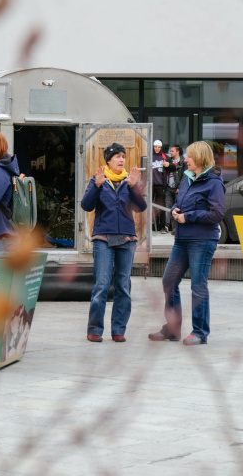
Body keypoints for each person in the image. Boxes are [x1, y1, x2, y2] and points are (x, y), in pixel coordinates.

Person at [148, 141, 225, 345]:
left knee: (198, 286)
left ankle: (200, 332)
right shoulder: (187, 179)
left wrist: (188, 217)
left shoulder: (214, 183)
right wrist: (175, 209)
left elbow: (217, 213)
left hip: (202, 240)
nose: (185, 159)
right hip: (181, 240)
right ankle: (172, 329)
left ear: (199, 158)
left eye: (189, 156)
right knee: (168, 281)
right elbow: (180, 202)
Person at [81, 142, 147, 343]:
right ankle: (94, 329)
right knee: (101, 285)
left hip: (127, 239)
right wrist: (97, 186)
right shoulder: (98, 180)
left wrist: (134, 187)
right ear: (108, 160)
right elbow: (86, 205)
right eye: (117, 157)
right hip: (103, 238)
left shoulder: (130, 181)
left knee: (123, 286)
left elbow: (140, 207)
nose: (121, 160)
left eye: (123, 157)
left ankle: (118, 329)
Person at [162, 145, 187, 234]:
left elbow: (184, 176)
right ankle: (166, 226)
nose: (171, 153)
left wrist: (180, 187)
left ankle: (175, 228)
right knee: (168, 206)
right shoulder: (168, 160)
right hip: (169, 187)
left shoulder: (183, 162)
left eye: (172, 151)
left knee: (177, 208)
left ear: (177, 152)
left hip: (177, 188)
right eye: (170, 151)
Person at [152, 139, 168, 231]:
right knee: (150, 205)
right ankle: (151, 225)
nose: (157, 149)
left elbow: (173, 166)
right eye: (155, 147)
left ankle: (161, 225)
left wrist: (168, 164)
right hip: (151, 184)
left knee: (161, 205)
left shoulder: (164, 157)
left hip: (160, 185)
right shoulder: (150, 156)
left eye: (158, 147)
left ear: (161, 148)